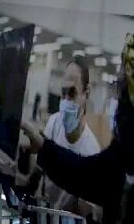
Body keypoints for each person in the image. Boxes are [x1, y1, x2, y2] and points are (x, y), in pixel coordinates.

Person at [21, 35, 134, 224]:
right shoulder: (122, 152)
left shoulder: (92, 147)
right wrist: (42, 147)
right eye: (63, 93)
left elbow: (88, 178)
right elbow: (85, 174)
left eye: (121, 89)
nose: (65, 101)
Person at [41, 57, 101, 220]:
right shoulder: (54, 122)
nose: (66, 101)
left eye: (72, 93)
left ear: (86, 92)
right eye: (63, 93)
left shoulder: (91, 151)